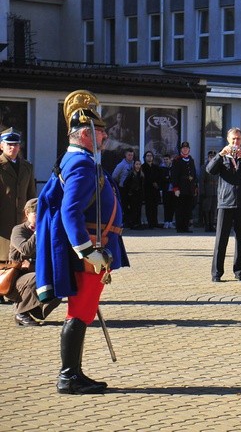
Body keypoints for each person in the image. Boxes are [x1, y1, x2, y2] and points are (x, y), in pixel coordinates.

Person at [36, 89, 129, 395]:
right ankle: (68, 376)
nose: (104, 137)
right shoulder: (81, 165)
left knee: (83, 311)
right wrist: (87, 250)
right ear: (85, 134)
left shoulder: (79, 161)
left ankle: (73, 372)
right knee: (80, 312)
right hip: (90, 250)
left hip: (93, 247)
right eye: (100, 132)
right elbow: (70, 210)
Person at [207, 127, 241, 282]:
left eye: (238, 139)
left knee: (240, 239)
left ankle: (239, 272)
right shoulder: (222, 156)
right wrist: (220, 155)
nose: (235, 142)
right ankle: (216, 274)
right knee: (221, 239)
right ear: (228, 140)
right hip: (225, 202)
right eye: (233, 139)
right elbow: (210, 170)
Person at [6, 198, 61, 326]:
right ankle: (20, 313)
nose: (41, 216)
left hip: (33, 270)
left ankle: (34, 309)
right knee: (39, 278)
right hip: (17, 277)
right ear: (27, 214)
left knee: (59, 281)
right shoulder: (19, 230)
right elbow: (25, 250)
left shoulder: (47, 231)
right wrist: (38, 232)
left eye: (43, 213)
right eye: (37, 213)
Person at [0, 128, 36, 267]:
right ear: (1, 145)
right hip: (3, 223)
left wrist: (33, 217)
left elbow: (31, 196)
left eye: (15, 144)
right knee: (3, 266)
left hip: (23, 223)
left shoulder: (27, 166)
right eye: (8, 144)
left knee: (22, 263)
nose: (12, 147)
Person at [171, 141, 198, 233]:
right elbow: (174, 175)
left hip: (189, 188)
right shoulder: (177, 160)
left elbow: (193, 174)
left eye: (187, 148)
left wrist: (195, 187)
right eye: (183, 148)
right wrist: (176, 188)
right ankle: (180, 227)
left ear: (189, 150)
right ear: (181, 150)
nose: (185, 149)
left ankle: (186, 227)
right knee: (180, 208)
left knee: (188, 209)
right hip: (181, 188)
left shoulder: (191, 160)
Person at [112, 148, 135, 224]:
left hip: (132, 188)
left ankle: (131, 221)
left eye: (132, 155)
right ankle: (125, 221)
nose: (130, 156)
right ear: (125, 155)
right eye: (129, 155)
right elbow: (114, 176)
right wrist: (121, 182)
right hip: (123, 188)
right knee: (124, 205)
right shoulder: (121, 165)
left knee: (132, 205)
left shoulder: (134, 164)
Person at [141, 150, 162, 229]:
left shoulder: (156, 167)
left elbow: (160, 177)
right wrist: (151, 182)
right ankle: (150, 223)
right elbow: (143, 179)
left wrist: (157, 184)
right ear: (145, 157)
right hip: (147, 190)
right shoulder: (143, 167)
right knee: (148, 207)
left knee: (155, 207)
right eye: (148, 156)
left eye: (151, 156)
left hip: (155, 190)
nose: (149, 157)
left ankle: (155, 222)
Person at [123, 160, 145, 229]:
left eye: (139, 164)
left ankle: (138, 223)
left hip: (139, 194)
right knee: (133, 209)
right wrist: (130, 191)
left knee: (139, 209)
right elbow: (125, 184)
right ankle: (133, 224)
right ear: (134, 165)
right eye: (136, 164)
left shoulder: (142, 174)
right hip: (132, 194)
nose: (138, 166)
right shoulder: (131, 174)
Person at [200, 150, 219, 232]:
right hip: (208, 189)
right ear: (208, 157)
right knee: (207, 208)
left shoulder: (217, 167)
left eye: (213, 157)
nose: (212, 158)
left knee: (213, 209)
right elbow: (201, 180)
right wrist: (202, 191)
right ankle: (207, 225)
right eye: (210, 157)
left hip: (215, 189)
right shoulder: (204, 167)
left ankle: (212, 224)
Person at [160, 155, 176, 228]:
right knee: (166, 205)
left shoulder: (174, 168)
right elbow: (162, 178)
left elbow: (174, 177)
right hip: (166, 189)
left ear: (170, 159)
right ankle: (166, 221)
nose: (165, 161)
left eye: (167, 159)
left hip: (173, 190)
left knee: (172, 206)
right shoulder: (162, 168)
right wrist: (167, 178)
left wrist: (169, 178)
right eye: (164, 159)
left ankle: (170, 221)